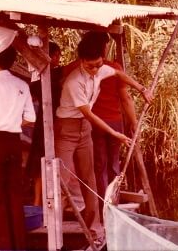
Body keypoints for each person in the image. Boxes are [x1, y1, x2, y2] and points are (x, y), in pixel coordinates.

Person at [54, 36, 153, 244]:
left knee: (90, 177)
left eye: (98, 65)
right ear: (81, 61)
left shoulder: (101, 69)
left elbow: (117, 73)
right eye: (90, 67)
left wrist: (142, 89)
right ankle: (56, 230)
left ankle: (95, 228)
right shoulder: (74, 81)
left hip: (84, 129)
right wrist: (115, 133)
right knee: (64, 177)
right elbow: (89, 114)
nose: (95, 70)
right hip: (68, 128)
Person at [0, 46, 36, 250]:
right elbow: (31, 118)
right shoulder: (21, 85)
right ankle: (17, 245)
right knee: (14, 194)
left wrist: (2, 122)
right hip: (13, 142)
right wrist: (12, 121)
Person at [85, 32, 137, 209]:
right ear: (103, 48)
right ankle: (112, 204)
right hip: (112, 121)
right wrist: (134, 122)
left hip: (96, 122)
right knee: (113, 164)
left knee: (100, 165)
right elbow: (126, 98)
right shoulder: (113, 68)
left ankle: (103, 204)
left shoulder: (84, 67)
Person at [27, 42, 63, 206]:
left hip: (52, 121)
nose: (58, 58)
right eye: (56, 55)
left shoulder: (55, 75)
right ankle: (38, 201)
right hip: (47, 122)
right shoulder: (48, 76)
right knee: (39, 162)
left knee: (43, 161)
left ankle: (41, 201)